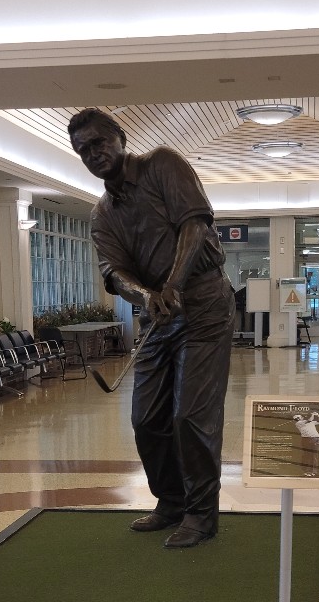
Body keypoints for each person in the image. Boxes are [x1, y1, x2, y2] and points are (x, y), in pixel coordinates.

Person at [69, 108, 234, 549]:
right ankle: (172, 501)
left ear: (120, 137)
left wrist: (173, 284)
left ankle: (202, 513)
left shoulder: (163, 164)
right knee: (146, 419)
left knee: (190, 416)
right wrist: (146, 297)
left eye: (99, 142)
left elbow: (195, 223)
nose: (93, 153)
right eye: (82, 150)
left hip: (204, 304)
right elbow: (113, 272)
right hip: (158, 316)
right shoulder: (101, 213)